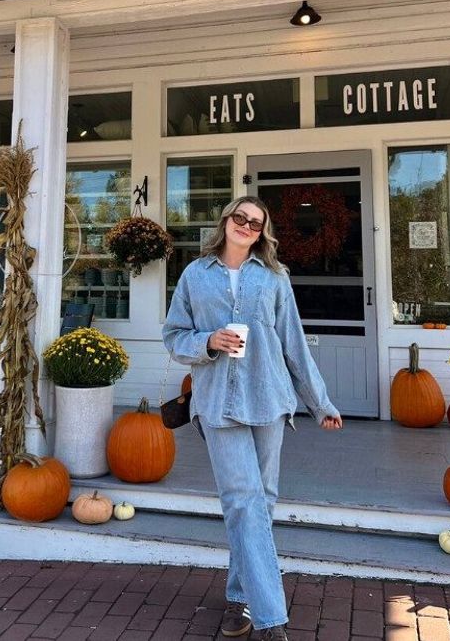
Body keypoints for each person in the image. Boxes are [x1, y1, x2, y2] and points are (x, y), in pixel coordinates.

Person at [163, 195, 343, 641]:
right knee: (243, 501)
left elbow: (294, 343)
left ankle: (241, 597)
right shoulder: (194, 275)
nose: (246, 226)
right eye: (240, 218)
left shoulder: (274, 278)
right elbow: (173, 336)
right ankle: (271, 618)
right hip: (217, 404)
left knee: (259, 503)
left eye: (256, 223)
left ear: (263, 233)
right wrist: (207, 341)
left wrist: (319, 402)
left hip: (268, 398)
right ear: (225, 221)